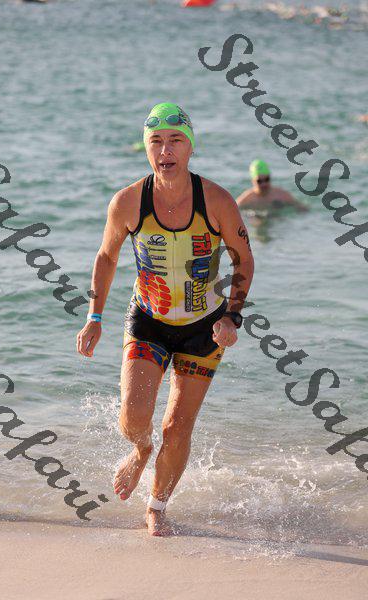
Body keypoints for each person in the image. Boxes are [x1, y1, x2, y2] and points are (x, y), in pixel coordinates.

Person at [76, 102, 254, 536]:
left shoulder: (216, 201)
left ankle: (157, 506)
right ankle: (140, 451)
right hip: (149, 319)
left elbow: (243, 259)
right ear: (146, 149)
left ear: (190, 147)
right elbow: (106, 256)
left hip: (204, 326)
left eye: (175, 140)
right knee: (134, 416)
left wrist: (232, 317)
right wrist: (94, 316)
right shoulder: (127, 202)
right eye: (155, 141)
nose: (165, 150)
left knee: (177, 426)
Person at [237, 159, 308, 212]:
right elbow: (234, 210)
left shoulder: (280, 194)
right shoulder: (247, 198)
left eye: (266, 179)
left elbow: (300, 206)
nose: (264, 184)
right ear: (253, 181)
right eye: (259, 181)